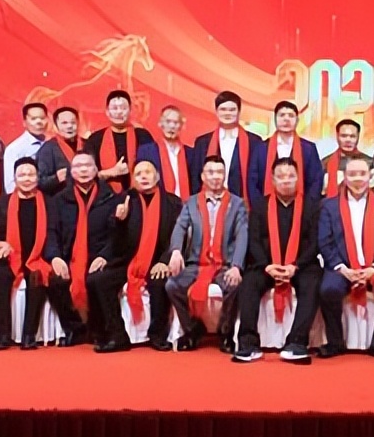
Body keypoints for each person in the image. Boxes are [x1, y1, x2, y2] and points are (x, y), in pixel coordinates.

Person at [234, 157, 322, 365]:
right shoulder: (260, 206)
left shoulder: (312, 207)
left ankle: (297, 343)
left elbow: (315, 243)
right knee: (249, 284)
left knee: (312, 283)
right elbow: (254, 240)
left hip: (300, 265)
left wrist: (295, 266)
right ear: (273, 180)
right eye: (281, 176)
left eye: (291, 176)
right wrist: (267, 266)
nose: (286, 180)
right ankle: (248, 344)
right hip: (266, 265)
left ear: (298, 178)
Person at [89, 160, 183, 353]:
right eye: (139, 174)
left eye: (148, 172)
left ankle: (157, 335)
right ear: (133, 179)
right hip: (129, 261)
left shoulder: (172, 203)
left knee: (159, 282)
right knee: (97, 280)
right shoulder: (125, 199)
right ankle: (117, 335)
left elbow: (178, 237)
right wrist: (118, 221)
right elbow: (114, 239)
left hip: (157, 260)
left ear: (157, 176)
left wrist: (164, 261)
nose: (144, 176)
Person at [317, 155, 374, 360]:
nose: (357, 179)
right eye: (352, 174)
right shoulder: (329, 205)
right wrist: (342, 268)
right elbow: (325, 242)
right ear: (344, 177)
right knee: (328, 289)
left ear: (370, 177)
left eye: (362, 174)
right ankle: (335, 342)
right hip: (342, 267)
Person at [166, 154, 248, 352]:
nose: (215, 177)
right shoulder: (192, 202)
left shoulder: (237, 204)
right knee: (172, 285)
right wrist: (176, 251)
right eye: (210, 172)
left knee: (235, 286)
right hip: (196, 264)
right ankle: (192, 329)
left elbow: (242, 235)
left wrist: (236, 266)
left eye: (219, 172)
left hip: (224, 265)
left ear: (224, 175)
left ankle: (226, 332)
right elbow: (180, 228)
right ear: (203, 176)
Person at [44, 151, 120, 346]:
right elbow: (51, 232)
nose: (83, 170)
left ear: (96, 170)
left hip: (100, 256)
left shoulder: (111, 197)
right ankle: (75, 329)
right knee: (54, 281)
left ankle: (98, 329)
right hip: (69, 257)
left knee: (96, 279)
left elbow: (117, 235)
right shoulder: (59, 200)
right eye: (78, 166)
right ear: (71, 172)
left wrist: (105, 256)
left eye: (88, 166)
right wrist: (55, 257)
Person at [0, 157, 54, 350]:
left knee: (37, 277)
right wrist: (0, 243)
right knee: (0, 276)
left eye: (31, 174)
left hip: (38, 256)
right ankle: (3, 335)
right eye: (22, 175)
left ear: (38, 177)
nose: (26, 179)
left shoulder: (49, 202)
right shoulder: (3, 202)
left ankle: (29, 335)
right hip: (10, 256)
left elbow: (53, 232)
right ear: (14, 178)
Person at [246, 101, 324, 208]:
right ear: (275, 119)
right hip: (266, 209)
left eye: (291, 116)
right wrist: (260, 207)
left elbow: (316, 180)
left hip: (302, 208)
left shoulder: (309, 149)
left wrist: (308, 207)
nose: (286, 119)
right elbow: (252, 181)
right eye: (282, 115)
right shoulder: (261, 148)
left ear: (297, 120)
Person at [191, 90, 262, 200]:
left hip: (243, 204)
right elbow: (195, 178)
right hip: (209, 202)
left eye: (232, 110)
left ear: (239, 112)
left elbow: (259, 178)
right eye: (223, 109)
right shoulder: (202, 143)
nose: (227, 113)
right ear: (216, 111)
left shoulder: (254, 142)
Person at [85, 89, 154, 194]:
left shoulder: (143, 136)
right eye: (114, 108)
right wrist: (112, 172)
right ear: (107, 112)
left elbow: (153, 169)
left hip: (139, 195)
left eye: (123, 108)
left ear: (130, 110)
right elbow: (86, 175)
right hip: (105, 197)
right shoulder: (95, 139)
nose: (119, 112)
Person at [135, 105, 191, 199]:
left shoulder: (190, 153)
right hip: (158, 202)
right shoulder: (146, 151)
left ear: (182, 126)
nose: (172, 126)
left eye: (176, 122)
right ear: (160, 124)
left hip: (186, 204)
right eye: (168, 122)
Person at [2, 102, 50, 197]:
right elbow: (10, 184)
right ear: (24, 122)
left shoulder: (52, 144)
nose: (39, 122)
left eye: (42, 118)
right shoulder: (14, 149)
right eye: (33, 119)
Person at [36, 106, 83, 196]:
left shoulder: (88, 144)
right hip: (60, 199)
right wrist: (56, 178)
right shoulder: (48, 149)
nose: (69, 126)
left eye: (73, 122)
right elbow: (40, 182)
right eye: (64, 123)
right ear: (55, 126)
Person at [321, 119, 368, 196]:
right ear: (337, 136)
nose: (348, 140)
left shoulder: (369, 162)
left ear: (358, 137)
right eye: (344, 136)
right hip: (333, 203)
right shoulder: (325, 163)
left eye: (352, 136)